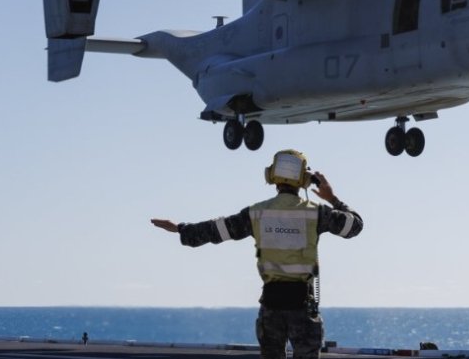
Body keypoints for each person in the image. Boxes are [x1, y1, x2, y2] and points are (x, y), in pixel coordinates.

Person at [151, 149, 363, 359]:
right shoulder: (316, 213)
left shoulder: (257, 213)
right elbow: (355, 226)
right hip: (302, 308)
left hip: (271, 309)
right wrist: (332, 197)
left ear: (271, 176)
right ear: (305, 180)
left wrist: (180, 228)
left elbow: (217, 230)